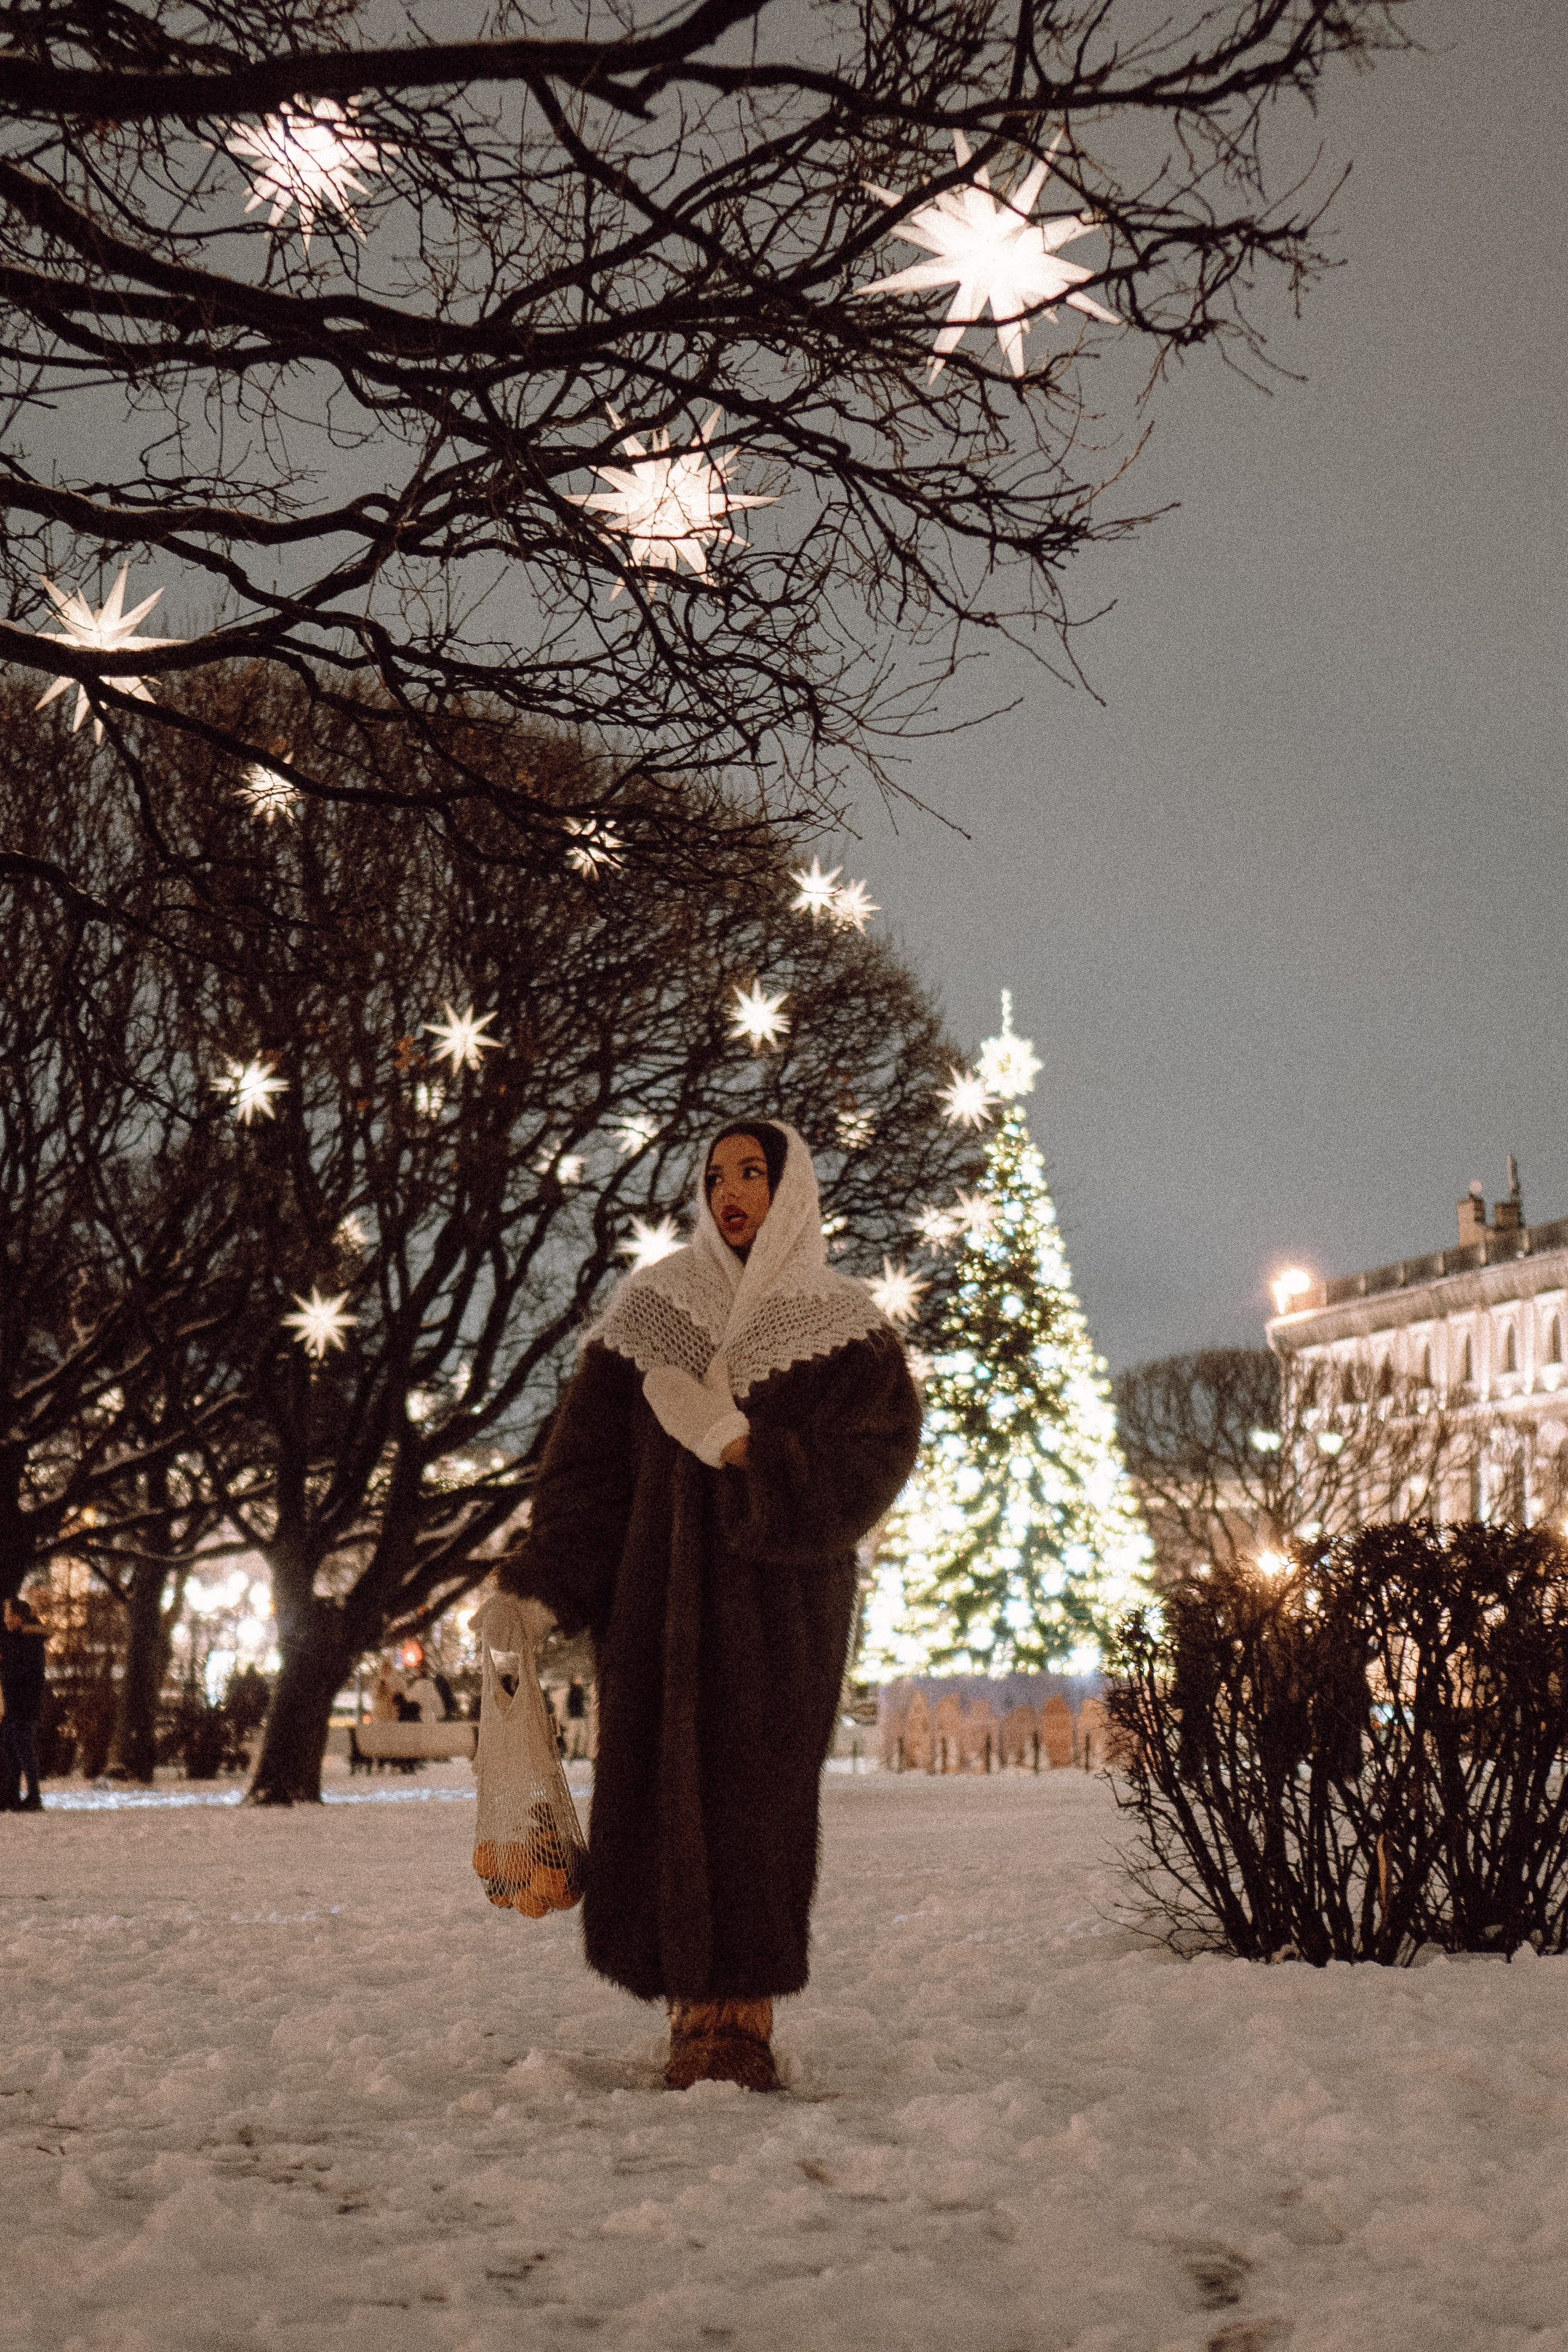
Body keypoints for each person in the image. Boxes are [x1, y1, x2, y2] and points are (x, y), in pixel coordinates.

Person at [492, 1120, 921, 2091]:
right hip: (650, 1616)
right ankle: (691, 2010)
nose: (732, 1191)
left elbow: (874, 1462)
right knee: (653, 1793)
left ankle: (744, 2018)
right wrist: (541, 1582)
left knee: (758, 1802)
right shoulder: (650, 1311)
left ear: (791, 1189)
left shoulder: (844, 1324)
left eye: (753, 1173)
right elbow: (587, 1480)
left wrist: (743, 1447)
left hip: (782, 1620)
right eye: (716, 1174)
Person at [1, 1592, 49, 1812]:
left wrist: (5, 1671)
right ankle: (15, 1796)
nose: (5, 1620)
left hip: (23, 1704)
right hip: (17, 1704)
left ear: (19, 1617)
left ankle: (33, 1796)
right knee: (14, 1750)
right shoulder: (20, 1637)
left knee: (23, 1750)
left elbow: (27, 1672)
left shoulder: (28, 1639)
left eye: (8, 1615)